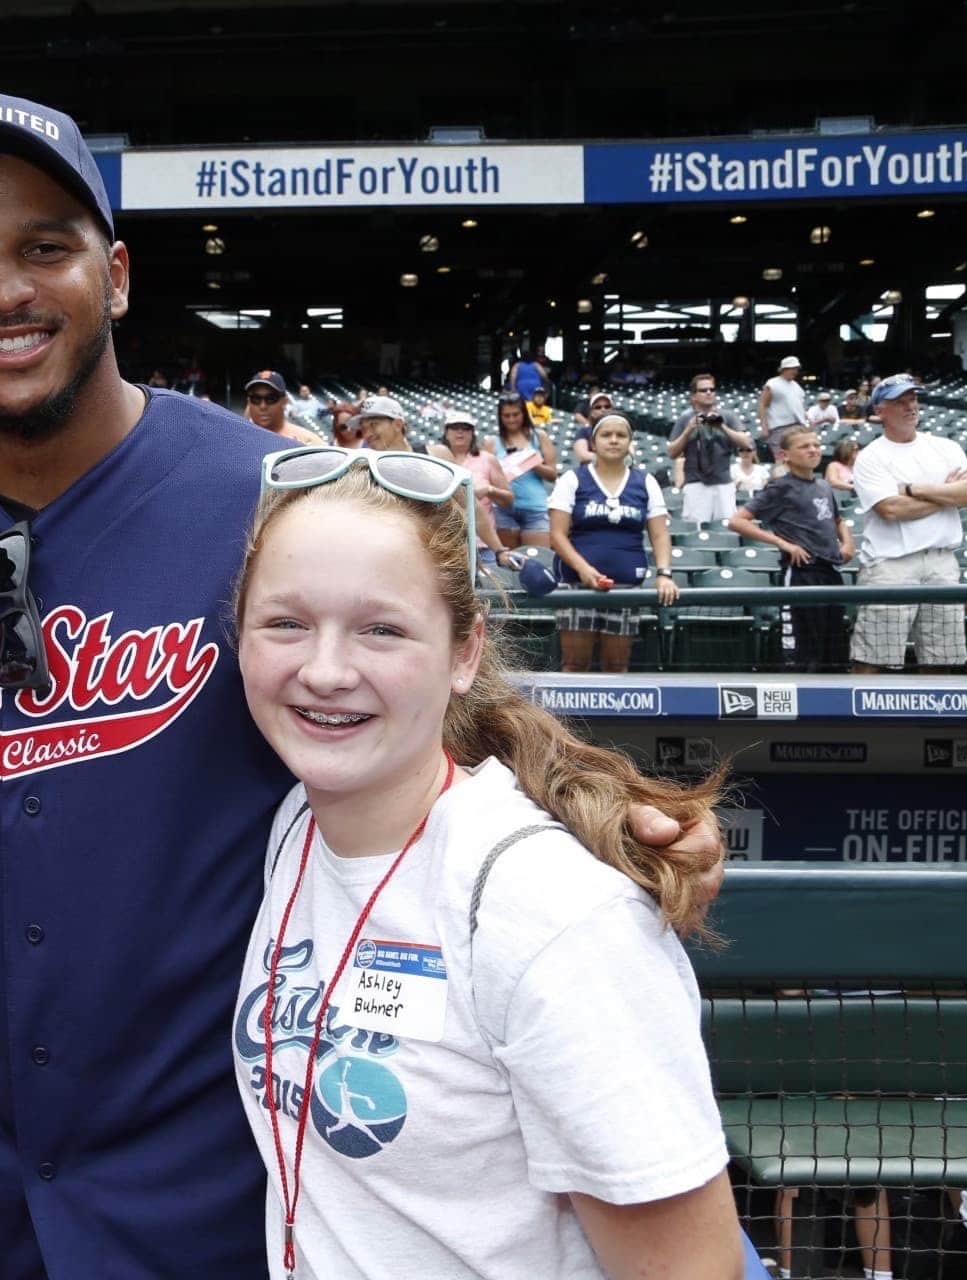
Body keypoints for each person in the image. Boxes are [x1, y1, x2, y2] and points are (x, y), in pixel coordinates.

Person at [0, 90, 723, 1278]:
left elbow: (440, 693)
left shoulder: (272, 492)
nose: (6, 290)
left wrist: (600, 803)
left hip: (218, 1189)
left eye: (47, 246)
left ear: (118, 273)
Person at [233, 445, 740, 1280]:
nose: (323, 670)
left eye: (382, 629)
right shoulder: (295, 825)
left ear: (465, 652)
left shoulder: (554, 915)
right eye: (286, 622)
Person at [849, 375, 967, 674]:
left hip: (941, 561)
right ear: (880, 411)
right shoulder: (871, 456)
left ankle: (935, 722)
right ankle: (861, 722)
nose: (910, 407)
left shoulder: (945, 447)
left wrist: (911, 489)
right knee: (873, 659)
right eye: (900, 401)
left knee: (941, 660)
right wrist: (948, 496)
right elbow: (891, 509)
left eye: (913, 399)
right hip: (891, 563)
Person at [549, 413, 679, 673]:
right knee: (575, 665)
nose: (614, 440)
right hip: (578, 586)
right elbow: (557, 535)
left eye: (621, 435)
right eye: (606, 435)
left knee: (616, 667)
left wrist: (664, 573)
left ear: (630, 442)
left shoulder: (645, 482)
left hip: (625, 588)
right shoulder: (572, 479)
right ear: (593, 443)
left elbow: (659, 534)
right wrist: (584, 570)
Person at [729, 426, 856, 672]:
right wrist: (783, 543)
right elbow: (737, 521)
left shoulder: (824, 486)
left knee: (834, 649)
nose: (813, 450)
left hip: (831, 572)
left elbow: (838, 521)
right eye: (804, 446)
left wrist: (848, 543)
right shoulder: (780, 487)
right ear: (785, 455)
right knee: (804, 649)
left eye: (816, 445)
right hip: (801, 573)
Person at [429, 410, 515, 566]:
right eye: (455, 427)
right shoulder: (434, 458)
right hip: (445, 544)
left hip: (482, 544)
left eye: (465, 427)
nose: (460, 431)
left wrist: (489, 490)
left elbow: (509, 500)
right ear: (446, 432)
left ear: (473, 433)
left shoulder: (487, 459)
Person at [667, 372, 752, 526]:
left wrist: (722, 426)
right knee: (696, 527)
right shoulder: (685, 419)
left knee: (727, 528)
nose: (709, 393)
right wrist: (689, 430)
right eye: (703, 390)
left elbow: (746, 444)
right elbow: (672, 453)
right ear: (694, 396)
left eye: (712, 390)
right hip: (695, 483)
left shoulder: (727, 416)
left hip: (724, 483)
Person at [490, 392, 557, 549]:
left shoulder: (539, 437)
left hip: (535, 508)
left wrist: (529, 462)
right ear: (500, 417)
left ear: (524, 414)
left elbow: (552, 474)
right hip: (503, 510)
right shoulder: (492, 442)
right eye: (506, 416)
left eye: (516, 414)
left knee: (538, 562)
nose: (511, 419)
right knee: (508, 567)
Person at [244, 371, 321, 445]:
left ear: (284, 402)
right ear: (249, 402)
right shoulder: (239, 441)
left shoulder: (306, 441)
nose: (262, 406)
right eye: (256, 399)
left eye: (271, 399)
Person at [758, 356, 808, 455]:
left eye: (796, 369)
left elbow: (800, 407)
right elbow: (762, 405)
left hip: (797, 427)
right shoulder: (772, 383)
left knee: (796, 457)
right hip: (779, 427)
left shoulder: (797, 386)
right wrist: (764, 427)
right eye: (792, 368)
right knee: (781, 458)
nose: (795, 371)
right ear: (784, 369)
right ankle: (780, 471)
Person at [569, 390, 616, 464]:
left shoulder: (621, 430)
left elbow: (630, 456)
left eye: (607, 406)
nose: (603, 409)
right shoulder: (584, 431)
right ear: (591, 412)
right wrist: (611, 459)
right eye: (598, 407)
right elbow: (583, 456)